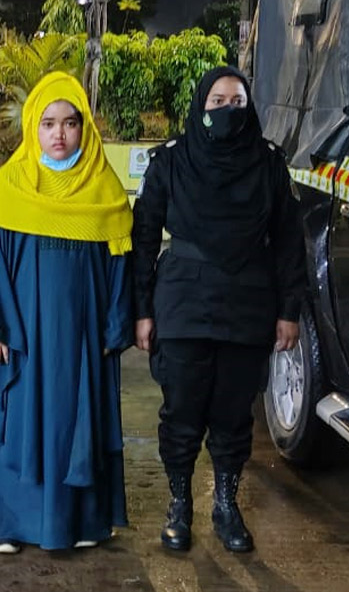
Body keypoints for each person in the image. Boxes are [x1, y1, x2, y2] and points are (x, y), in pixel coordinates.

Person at [132, 66, 306, 553]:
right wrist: (142, 310)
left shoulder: (268, 164)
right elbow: (143, 239)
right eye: (217, 103)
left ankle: (227, 505)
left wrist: (289, 310)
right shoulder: (170, 161)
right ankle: (179, 504)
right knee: (181, 410)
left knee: (233, 415)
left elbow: (289, 241)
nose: (228, 111)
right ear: (200, 106)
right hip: (183, 301)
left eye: (237, 103)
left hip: (248, 304)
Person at [0, 72, 134, 554]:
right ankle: (8, 523)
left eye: (70, 123)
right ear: (33, 127)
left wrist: (114, 326)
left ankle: (79, 522)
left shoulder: (105, 190)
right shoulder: (10, 186)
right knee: (20, 419)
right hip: (21, 334)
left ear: (85, 128)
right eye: (48, 123)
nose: (59, 134)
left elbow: (121, 263)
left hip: (82, 335)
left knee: (77, 420)